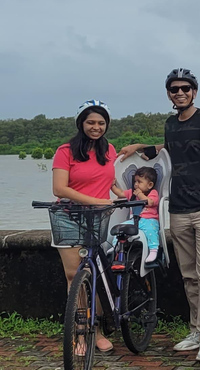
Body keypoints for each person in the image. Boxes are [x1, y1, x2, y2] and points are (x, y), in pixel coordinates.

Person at [117, 68, 200, 362]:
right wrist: (140, 148)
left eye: (185, 88)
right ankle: (196, 329)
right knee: (190, 275)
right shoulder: (171, 124)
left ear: (194, 91)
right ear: (168, 93)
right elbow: (169, 148)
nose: (180, 93)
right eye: (174, 89)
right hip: (178, 210)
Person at [51, 99, 118, 353]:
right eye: (91, 122)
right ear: (81, 123)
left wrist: (126, 194)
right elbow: (59, 188)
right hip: (69, 216)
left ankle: (96, 330)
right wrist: (97, 200)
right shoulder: (65, 150)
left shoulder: (109, 150)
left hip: (98, 218)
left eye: (101, 123)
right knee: (75, 276)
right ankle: (78, 334)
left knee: (96, 273)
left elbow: (109, 181)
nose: (96, 127)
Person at [111, 166, 161, 263]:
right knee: (120, 229)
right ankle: (115, 246)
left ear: (150, 185)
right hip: (134, 220)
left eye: (139, 182)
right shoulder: (132, 193)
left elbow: (150, 202)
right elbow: (121, 193)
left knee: (151, 231)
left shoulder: (153, 193)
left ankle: (153, 249)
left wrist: (139, 194)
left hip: (149, 220)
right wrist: (112, 186)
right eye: (135, 181)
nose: (136, 184)